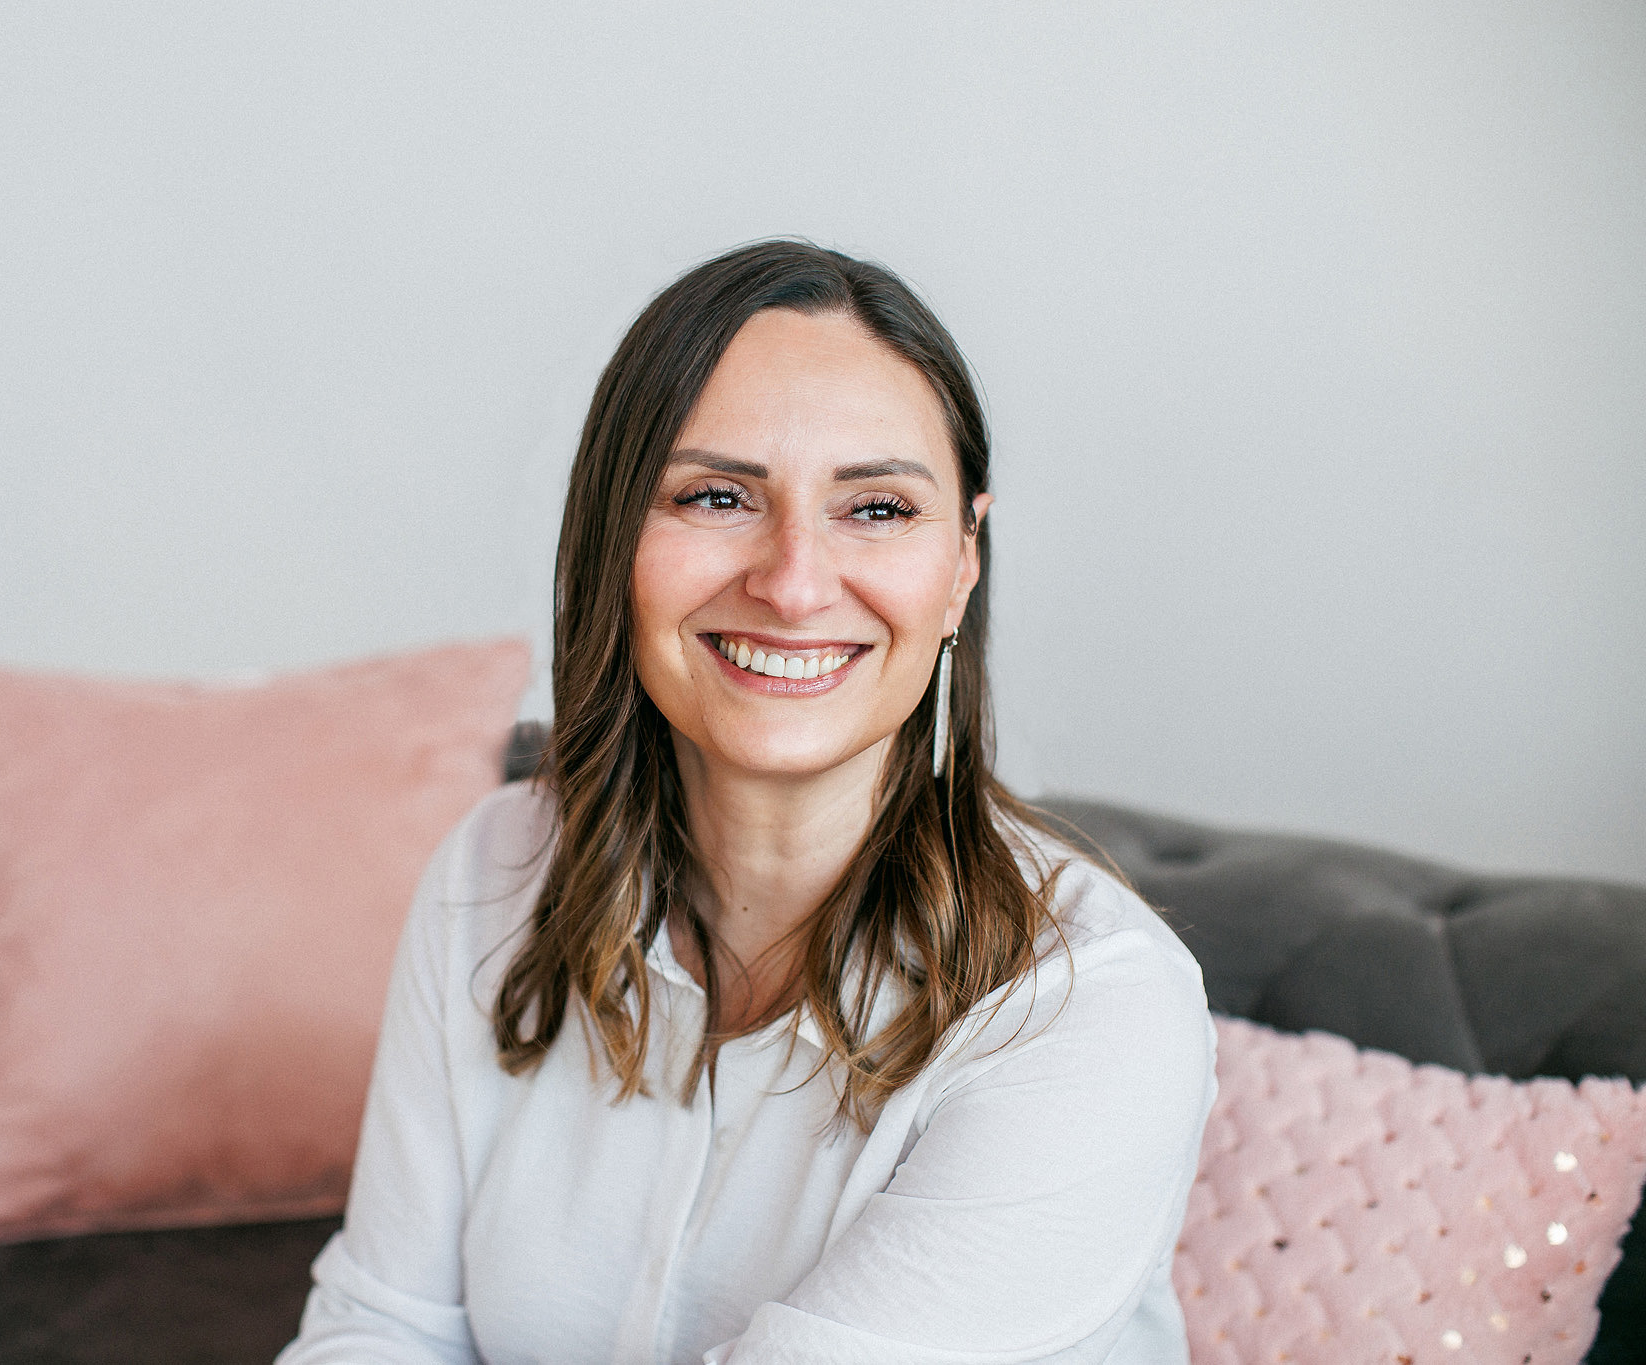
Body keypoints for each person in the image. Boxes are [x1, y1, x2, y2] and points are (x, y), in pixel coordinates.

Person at [277, 240, 1216, 1364]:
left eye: (874, 509)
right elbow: (377, 1330)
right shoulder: (497, 868)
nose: (792, 583)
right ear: (613, 536)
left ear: (962, 561)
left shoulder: (1087, 1009)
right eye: (717, 496)